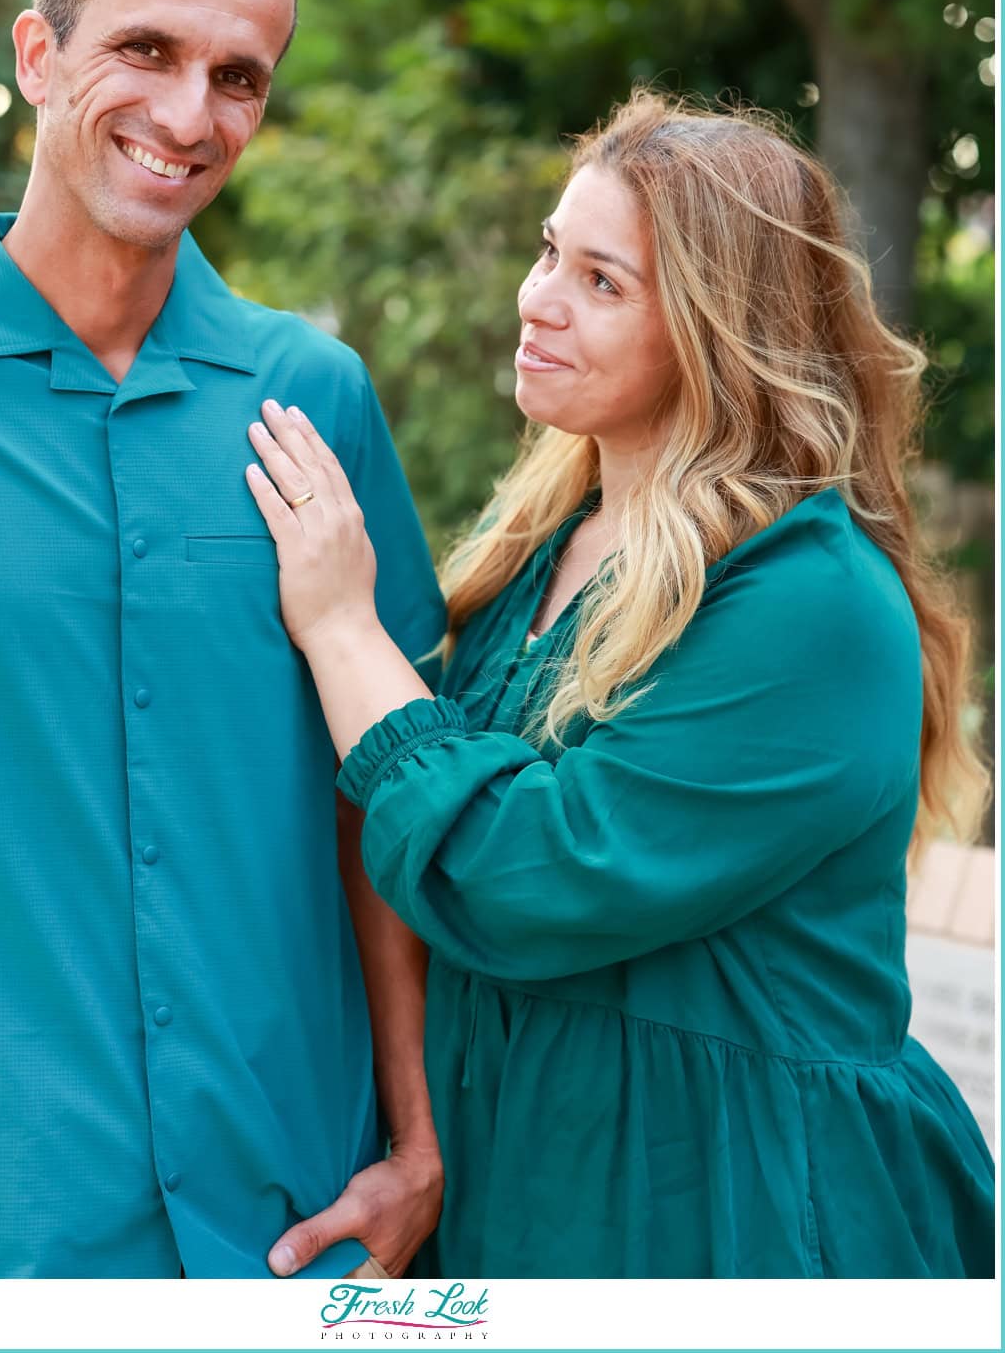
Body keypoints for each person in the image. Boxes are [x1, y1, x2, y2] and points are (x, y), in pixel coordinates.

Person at [244, 89, 996, 1279]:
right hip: (538, 1196)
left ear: (715, 326)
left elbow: (523, 876)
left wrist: (341, 623)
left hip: (737, 1217)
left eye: (603, 282)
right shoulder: (543, 549)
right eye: (552, 252)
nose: (539, 300)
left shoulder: (813, 605)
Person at [0, 0, 447, 1279]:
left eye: (238, 77)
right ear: (39, 55)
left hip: (307, 1245)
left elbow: (384, 795)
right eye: (145, 50)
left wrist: (419, 1145)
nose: (188, 114)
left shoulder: (313, 396)